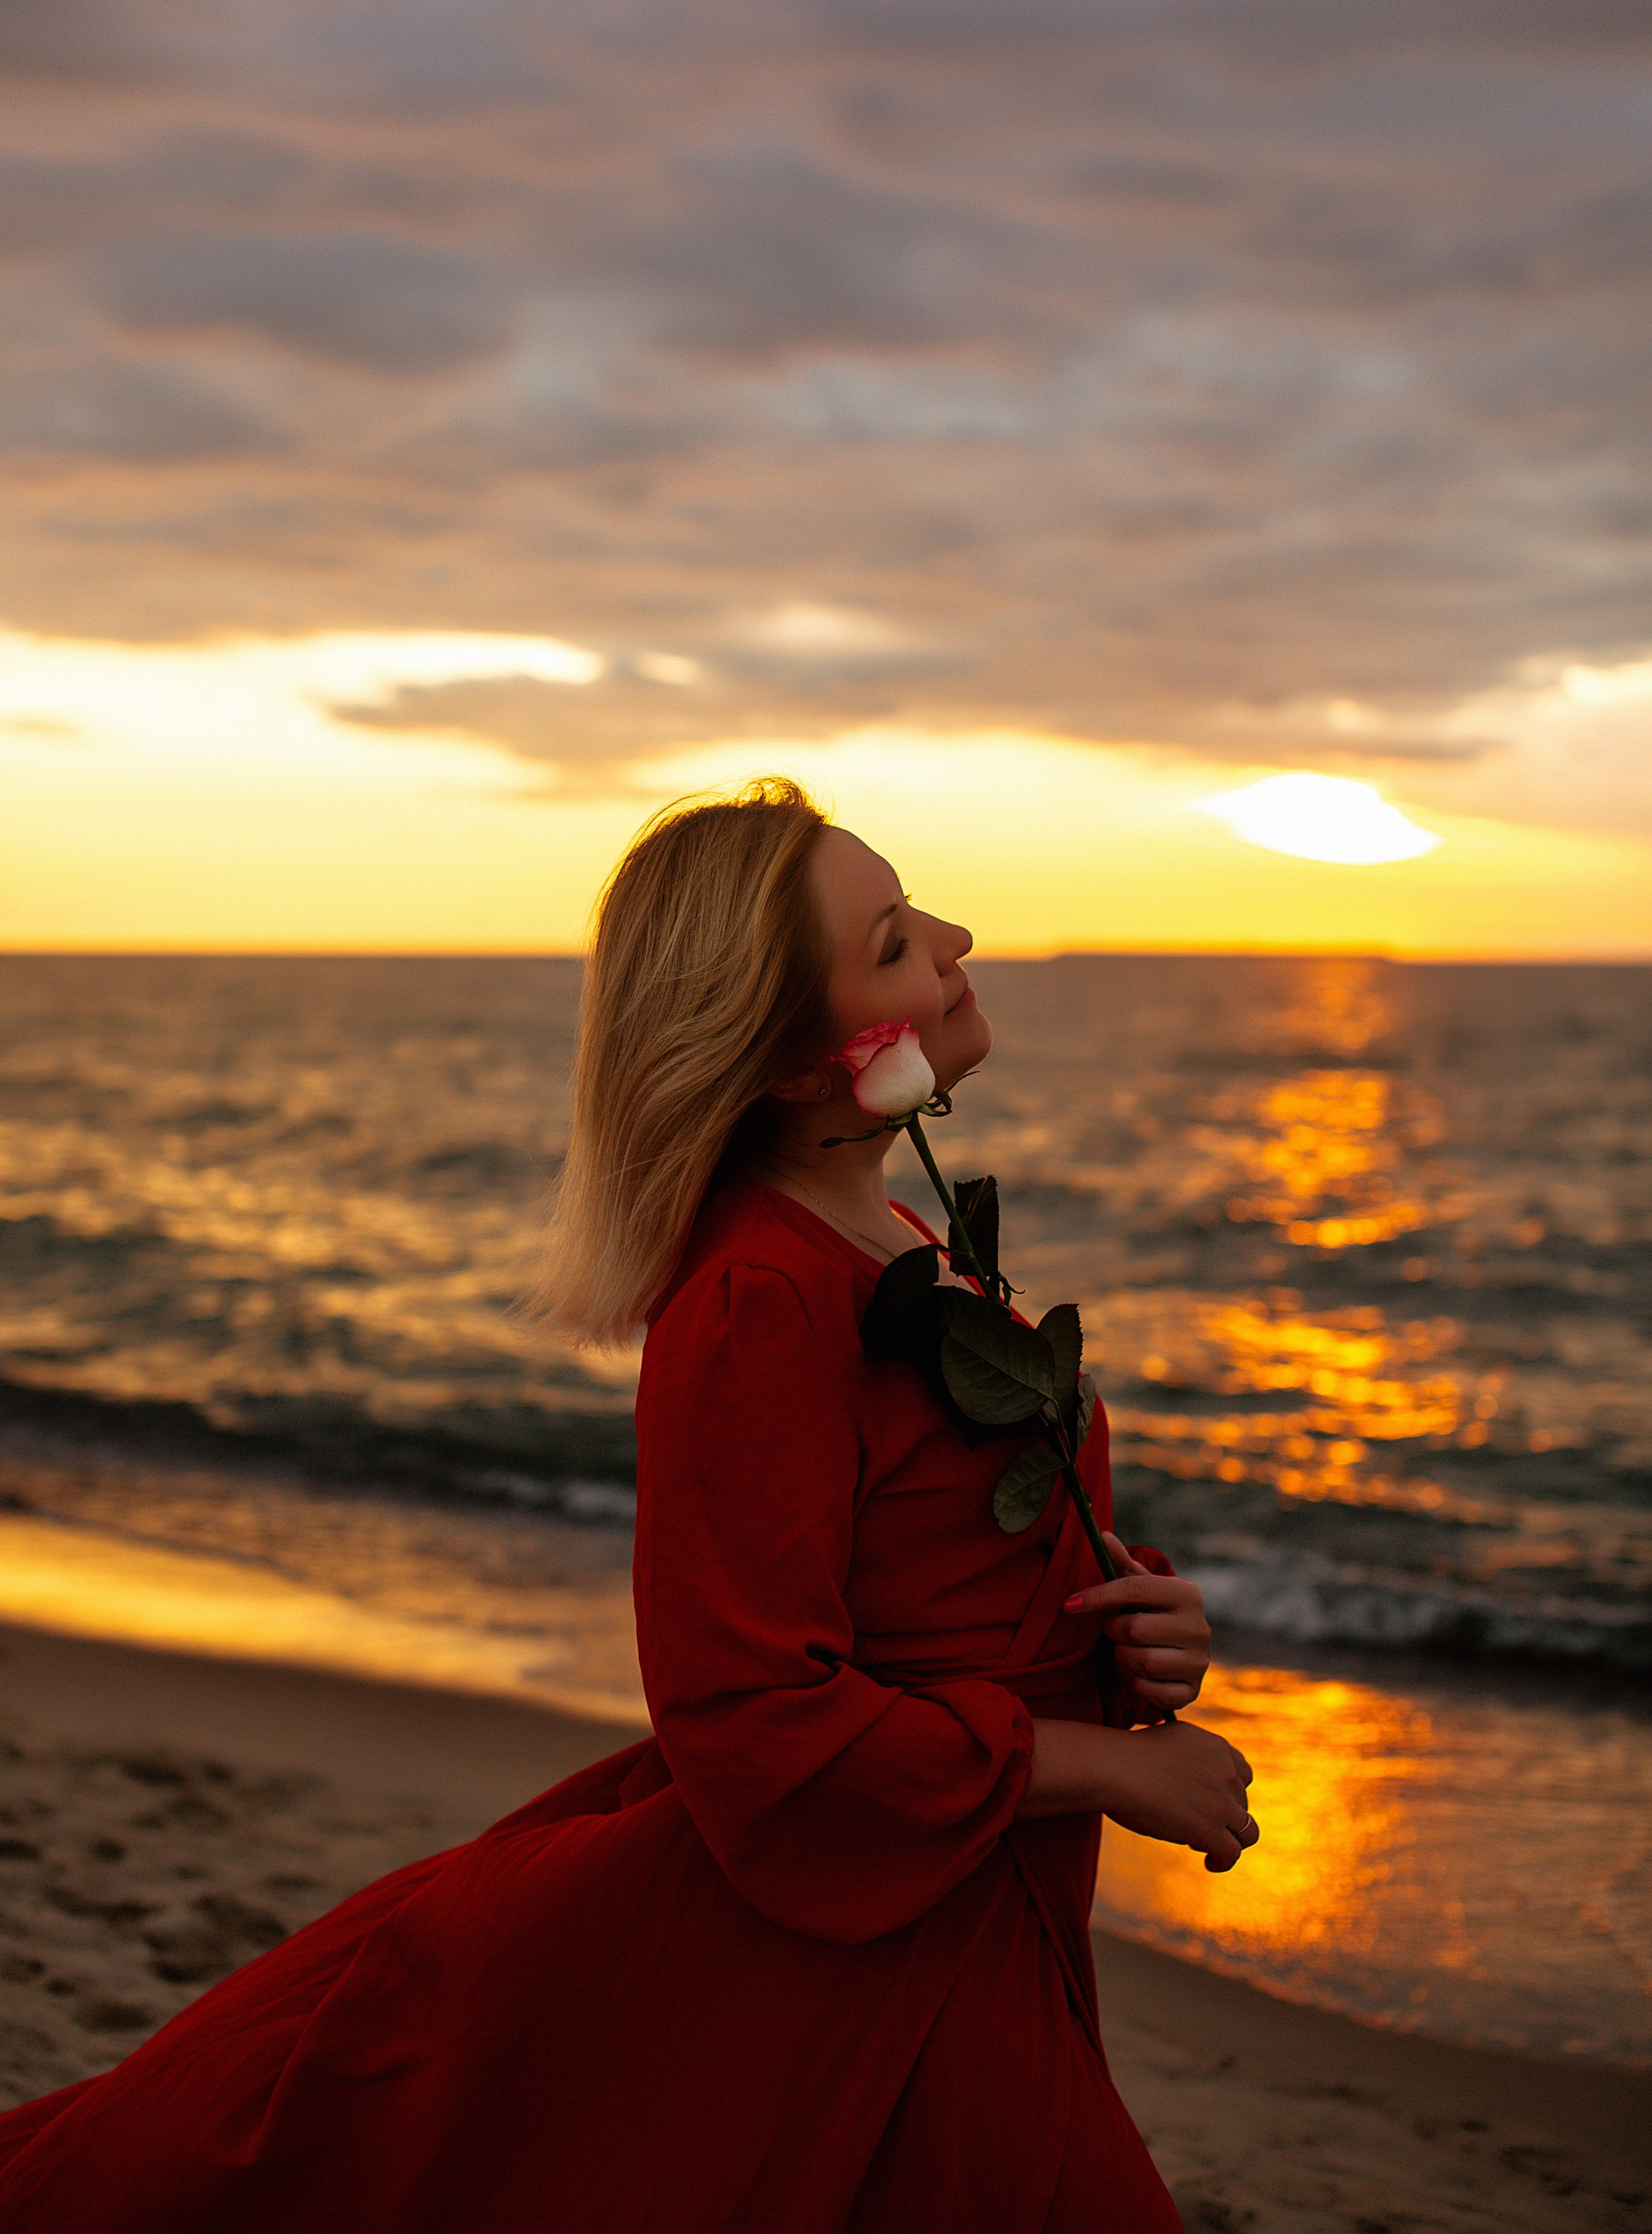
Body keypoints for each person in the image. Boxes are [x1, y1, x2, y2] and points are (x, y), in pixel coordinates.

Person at [0, 778, 1257, 2233]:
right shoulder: (755, 1301)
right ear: (798, 1061)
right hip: (844, 1947)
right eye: (899, 940)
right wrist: (1103, 1768)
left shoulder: (899, 1227)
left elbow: (933, 1547)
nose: (959, 937)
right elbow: (750, 1714)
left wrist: (1132, 1624)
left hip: (970, 1902)